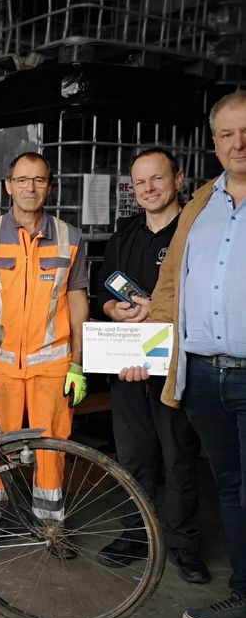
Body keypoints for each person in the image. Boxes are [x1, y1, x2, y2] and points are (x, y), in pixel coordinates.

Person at [121, 90, 246, 618]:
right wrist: (139, 349)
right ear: (213, 143)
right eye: (227, 134)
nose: (238, 142)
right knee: (231, 483)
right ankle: (242, 590)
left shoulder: (189, 207)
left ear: (175, 178)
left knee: (196, 469)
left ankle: (193, 552)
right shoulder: (203, 206)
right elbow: (169, 292)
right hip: (197, 372)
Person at [95, 149, 208, 583]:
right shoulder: (124, 236)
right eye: (140, 183)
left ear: (178, 180)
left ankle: (184, 545)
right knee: (133, 454)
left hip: (176, 365)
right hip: (127, 364)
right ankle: (135, 535)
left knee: (179, 456)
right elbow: (103, 293)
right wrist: (113, 309)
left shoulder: (196, 232)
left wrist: (160, 313)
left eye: (157, 179)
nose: (148, 189)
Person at [0, 152, 89, 538]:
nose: (30, 188)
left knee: (52, 448)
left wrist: (78, 363)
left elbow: (77, 301)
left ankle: (51, 527)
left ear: (49, 187)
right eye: (22, 180)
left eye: (38, 180)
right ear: (8, 185)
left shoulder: (70, 237)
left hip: (52, 364)